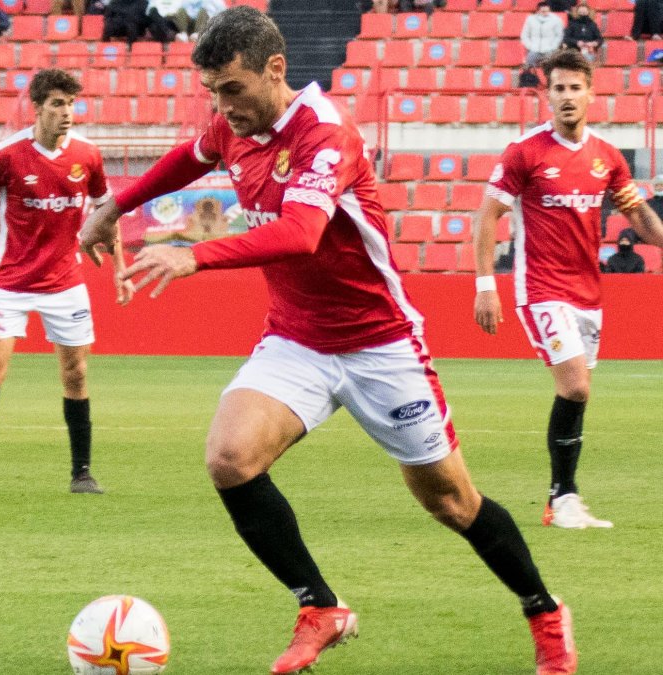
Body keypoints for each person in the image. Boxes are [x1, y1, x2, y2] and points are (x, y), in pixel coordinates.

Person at [79, 8, 576, 675]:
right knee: (230, 458)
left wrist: (194, 254)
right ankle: (320, 607)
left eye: (233, 89)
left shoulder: (325, 134)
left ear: (275, 69)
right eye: (213, 93)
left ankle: (545, 612)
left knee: (452, 501)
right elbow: (187, 158)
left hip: (380, 344)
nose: (223, 108)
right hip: (297, 338)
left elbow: (301, 232)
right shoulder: (233, 126)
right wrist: (114, 205)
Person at [474, 48, 663, 531]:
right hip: (540, 289)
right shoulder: (524, 152)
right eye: (558, 88)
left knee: (579, 394)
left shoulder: (607, 158)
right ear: (548, 95)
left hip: (587, 293)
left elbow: (639, 216)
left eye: (575, 88)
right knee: (575, 384)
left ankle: (560, 498)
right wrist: (485, 285)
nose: (566, 96)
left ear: (591, 94)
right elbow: (487, 216)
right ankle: (565, 499)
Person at [0, 69, 132, 496]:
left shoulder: (87, 155)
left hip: (65, 283)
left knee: (76, 374)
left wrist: (119, 268)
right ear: (37, 108)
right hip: (11, 283)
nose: (67, 112)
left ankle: (82, 474)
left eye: (71, 104)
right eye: (58, 104)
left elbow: (106, 212)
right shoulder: (7, 155)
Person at [522, 2, 564, 67]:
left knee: (552, 66)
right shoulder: (530, 19)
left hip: (550, 50)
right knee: (528, 66)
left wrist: (553, 47)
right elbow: (525, 35)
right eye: (543, 11)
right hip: (534, 49)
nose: (546, 13)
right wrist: (530, 46)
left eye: (547, 11)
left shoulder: (556, 20)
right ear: (538, 11)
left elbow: (559, 36)